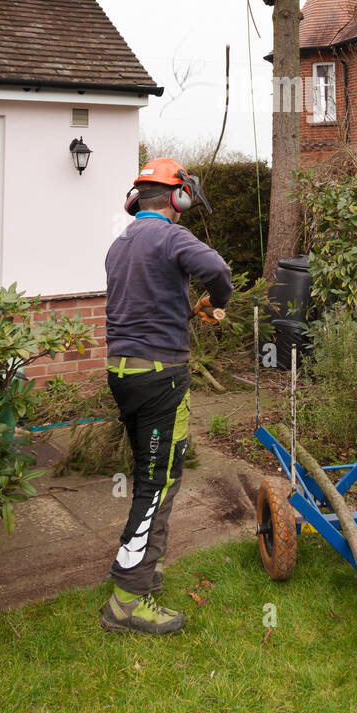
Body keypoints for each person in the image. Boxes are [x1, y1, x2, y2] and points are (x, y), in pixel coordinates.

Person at [100, 157, 233, 636]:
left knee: (148, 475)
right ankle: (125, 602)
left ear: (138, 199)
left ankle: (141, 569)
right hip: (161, 379)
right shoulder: (173, 236)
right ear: (178, 198)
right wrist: (217, 304)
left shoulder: (120, 243)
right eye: (186, 200)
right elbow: (218, 270)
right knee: (158, 482)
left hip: (122, 373)